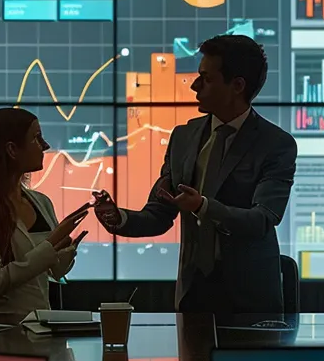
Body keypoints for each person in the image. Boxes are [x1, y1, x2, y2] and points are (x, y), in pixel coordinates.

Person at [92, 34, 298, 314]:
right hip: (193, 295)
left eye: (207, 79)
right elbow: (159, 214)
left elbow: (263, 219)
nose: (195, 86)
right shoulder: (183, 138)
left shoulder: (276, 144)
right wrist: (119, 218)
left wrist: (203, 206)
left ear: (237, 85)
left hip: (251, 301)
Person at [0, 107, 92, 313]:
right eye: (36, 138)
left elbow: (54, 271)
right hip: (3, 332)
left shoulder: (41, 202)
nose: (45, 146)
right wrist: (51, 244)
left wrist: (67, 249)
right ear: (11, 150)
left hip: (42, 326)